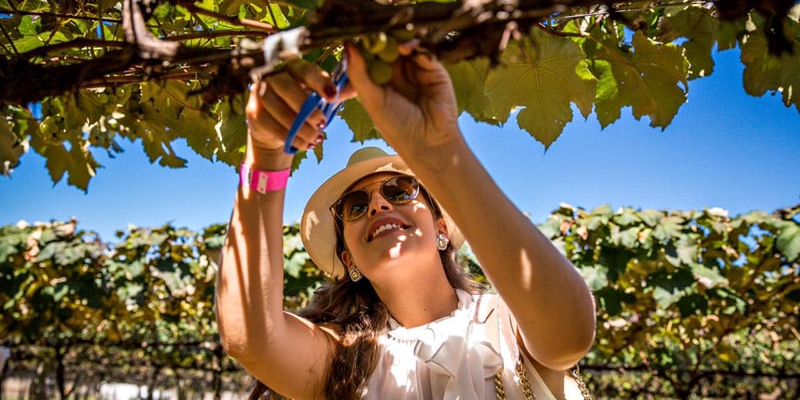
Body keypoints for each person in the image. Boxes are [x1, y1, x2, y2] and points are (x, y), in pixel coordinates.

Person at [215, 41, 597, 399]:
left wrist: (440, 149)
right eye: (356, 206)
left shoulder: (510, 321)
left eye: (400, 191)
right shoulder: (343, 359)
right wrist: (265, 155)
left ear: (442, 229)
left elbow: (569, 333)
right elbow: (250, 338)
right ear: (349, 260)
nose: (379, 205)